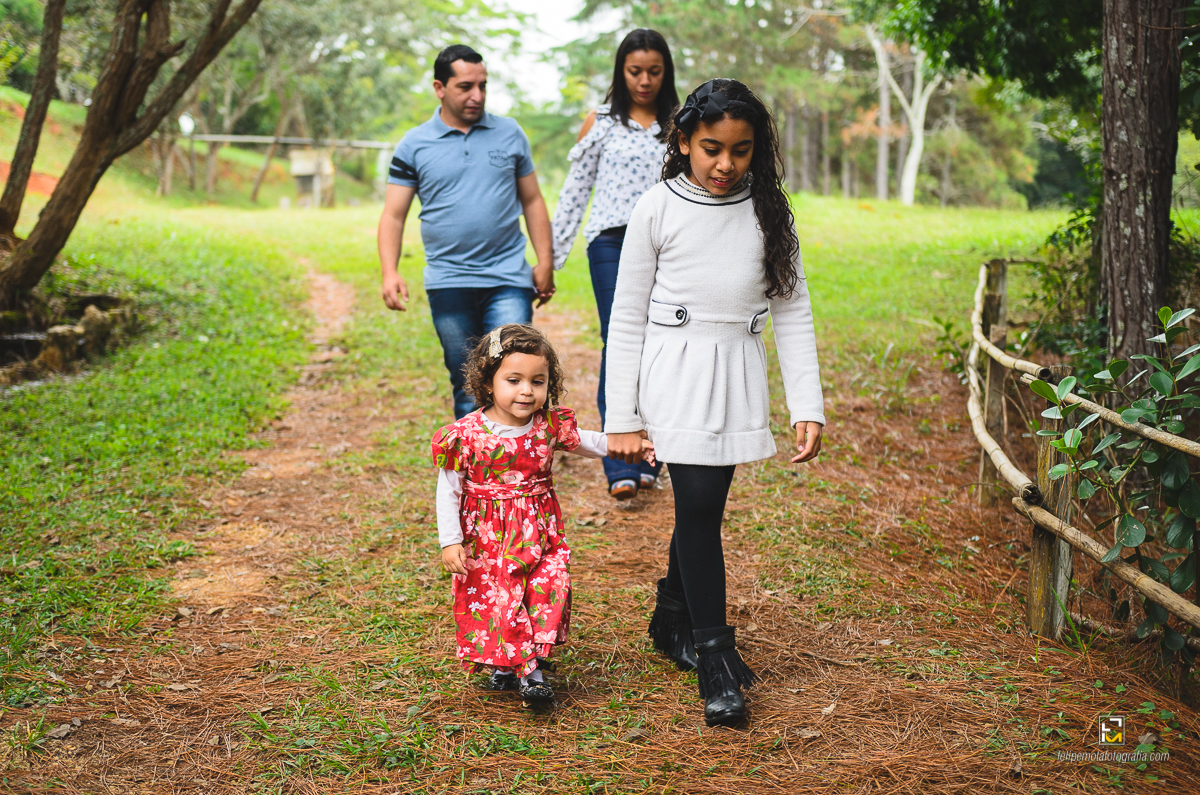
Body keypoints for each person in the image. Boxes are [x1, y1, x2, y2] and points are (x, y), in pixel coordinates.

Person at [604, 79, 825, 727]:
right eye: (711, 149)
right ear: (683, 142)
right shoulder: (656, 207)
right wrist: (623, 417)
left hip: (737, 374)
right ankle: (715, 658)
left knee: (704, 507)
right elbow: (626, 318)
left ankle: (671, 616)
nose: (726, 163)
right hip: (675, 371)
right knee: (699, 508)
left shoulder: (769, 210)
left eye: (741, 150)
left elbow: (793, 310)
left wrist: (806, 402)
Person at [431, 324, 653, 701]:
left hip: (540, 531)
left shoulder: (549, 425)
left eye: (537, 381)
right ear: (488, 383)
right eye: (513, 380)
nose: (526, 391)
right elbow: (448, 489)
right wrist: (450, 541)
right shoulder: (465, 435)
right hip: (488, 537)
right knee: (502, 600)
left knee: (546, 588)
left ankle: (518, 664)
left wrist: (626, 445)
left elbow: (589, 442)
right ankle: (525, 672)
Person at [379, 44, 556, 419]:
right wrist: (389, 271)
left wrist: (545, 261)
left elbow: (533, 200)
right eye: (465, 87)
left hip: (508, 277)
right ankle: (472, 458)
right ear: (439, 88)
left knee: (513, 374)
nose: (477, 95)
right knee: (468, 383)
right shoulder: (414, 144)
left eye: (482, 85)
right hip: (448, 280)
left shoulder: (509, 133)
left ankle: (515, 456)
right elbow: (393, 215)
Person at [550, 29, 679, 501]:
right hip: (611, 242)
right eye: (635, 71)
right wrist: (551, 258)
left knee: (661, 344)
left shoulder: (681, 124)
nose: (644, 81)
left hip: (668, 245)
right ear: (620, 72)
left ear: (666, 73)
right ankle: (618, 461)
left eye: (654, 72)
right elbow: (574, 192)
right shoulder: (600, 122)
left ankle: (651, 456)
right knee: (620, 340)